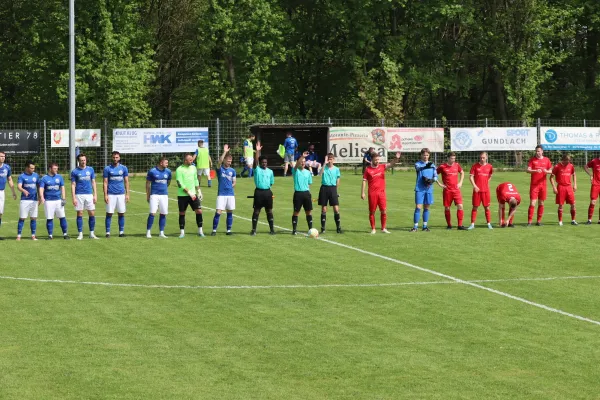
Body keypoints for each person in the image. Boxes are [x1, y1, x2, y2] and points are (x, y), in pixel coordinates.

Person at [361, 152, 402, 234]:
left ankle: (383, 228)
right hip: (372, 193)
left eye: (378, 159)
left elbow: (391, 164)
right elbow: (364, 181)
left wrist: (396, 158)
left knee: (383, 211)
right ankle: (373, 229)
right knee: (372, 211)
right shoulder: (368, 169)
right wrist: (363, 192)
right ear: (371, 160)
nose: (377, 161)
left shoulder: (382, 167)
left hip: (381, 193)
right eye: (376, 160)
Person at [412, 148, 444, 232]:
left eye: (427, 155)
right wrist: (426, 166)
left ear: (429, 155)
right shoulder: (418, 164)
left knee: (427, 207)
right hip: (419, 188)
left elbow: (435, 175)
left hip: (429, 189)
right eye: (424, 155)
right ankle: (415, 227)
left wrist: (432, 180)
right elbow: (418, 169)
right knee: (418, 207)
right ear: (421, 155)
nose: (425, 156)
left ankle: (425, 226)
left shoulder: (432, 165)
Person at [70, 153, 99, 240]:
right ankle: (80, 234)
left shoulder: (90, 169)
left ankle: (91, 233)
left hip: (89, 194)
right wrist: (74, 197)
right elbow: (73, 184)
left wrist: (95, 194)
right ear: (78, 161)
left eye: (84, 160)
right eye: (81, 160)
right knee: (80, 213)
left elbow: (93, 182)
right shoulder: (74, 171)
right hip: (79, 194)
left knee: (92, 213)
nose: (83, 162)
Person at [175, 153, 204, 238]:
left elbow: (195, 179)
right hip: (182, 195)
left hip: (193, 195)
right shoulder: (179, 170)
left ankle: (200, 231)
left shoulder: (193, 168)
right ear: (185, 160)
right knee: (182, 212)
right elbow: (180, 184)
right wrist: (189, 193)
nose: (192, 161)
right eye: (190, 160)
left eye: (192, 159)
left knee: (199, 211)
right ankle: (182, 232)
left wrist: (199, 191)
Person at [250, 141, 275, 235]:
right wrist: (257, 151)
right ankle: (253, 230)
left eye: (265, 162)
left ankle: (272, 229)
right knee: (256, 211)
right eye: (263, 162)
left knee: (269, 211)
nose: (264, 164)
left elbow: (271, 183)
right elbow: (255, 162)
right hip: (259, 192)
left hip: (268, 192)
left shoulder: (270, 171)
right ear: (260, 163)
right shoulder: (257, 170)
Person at [436, 152, 467, 230]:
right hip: (447, 191)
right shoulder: (442, 166)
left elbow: (462, 172)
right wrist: (439, 184)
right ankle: (449, 225)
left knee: (460, 206)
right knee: (447, 208)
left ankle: (460, 225)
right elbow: (434, 174)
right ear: (448, 158)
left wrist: (460, 182)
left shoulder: (457, 165)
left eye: (454, 158)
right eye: (452, 158)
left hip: (456, 190)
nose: (453, 160)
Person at [103, 151, 130, 238]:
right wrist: (105, 195)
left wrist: (127, 194)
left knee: (121, 213)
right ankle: (107, 233)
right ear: (112, 158)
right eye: (114, 157)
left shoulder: (124, 168)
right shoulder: (107, 169)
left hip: (121, 194)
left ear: (119, 158)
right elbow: (105, 182)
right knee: (109, 213)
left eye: (117, 157)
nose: (115, 159)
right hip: (111, 194)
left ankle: (121, 232)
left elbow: (126, 181)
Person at [39, 163, 69, 239]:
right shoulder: (44, 178)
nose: (56, 170)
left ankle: (65, 234)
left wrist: (64, 198)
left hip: (58, 200)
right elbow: (41, 188)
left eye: (57, 168)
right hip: (48, 201)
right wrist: (42, 197)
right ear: (50, 169)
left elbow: (62, 187)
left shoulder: (59, 177)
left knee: (62, 217)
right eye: (55, 168)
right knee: (49, 218)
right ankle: (50, 235)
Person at [212, 144, 236, 236]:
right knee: (219, 212)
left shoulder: (232, 171)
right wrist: (225, 151)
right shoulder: (220, 169)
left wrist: (232, 186)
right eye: (228, 161)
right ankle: (214, 230)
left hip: (230, 194)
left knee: (230, 211)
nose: (230, 162)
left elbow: (234, 182)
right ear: (225, 160)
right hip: (221, 194)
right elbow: (219, 162)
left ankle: (228, 230)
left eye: (231, 161)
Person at [526, 145, 552, 226]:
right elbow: (528, 170)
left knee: (541, 203)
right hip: (534, 185)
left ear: (542, 151)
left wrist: (546, 171)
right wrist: (535, 171)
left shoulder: (547, 160)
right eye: (536, 151)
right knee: (533, 203)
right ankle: (529, 222)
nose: (537, 153)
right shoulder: (532, 160)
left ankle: (538, 221)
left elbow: (551, 171)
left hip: (543, 185)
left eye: (539, 151)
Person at [146, 157, 172, 238]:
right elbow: (147, 184)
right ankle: (148, 232)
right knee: (152, 213)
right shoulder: (152, 171)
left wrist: (164, 188)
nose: (167, 164)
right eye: (166, 163)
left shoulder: (168, 171)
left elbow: (168, 182)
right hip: (154, 195)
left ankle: (161, 232)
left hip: (164, 195)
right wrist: (148, 195)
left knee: (163, 213)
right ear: (161, 163)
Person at [468, 152, 494, 230]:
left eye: (483, 157)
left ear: (486, 157)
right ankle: (472, 224)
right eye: (480, 158)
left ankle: (489, 223)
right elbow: (471, 177)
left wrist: (486, 183)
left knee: (487, 207)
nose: (482, 159)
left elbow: (490, 175)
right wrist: (475, 186)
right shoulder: (475, 166)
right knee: (475, 207)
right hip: (477, 191)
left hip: (486, 191)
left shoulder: (490, 166)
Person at [550, 154, 577, 226]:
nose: (568, 162)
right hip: (561, 187)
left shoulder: (571, 166)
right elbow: (551, 177)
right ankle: (560, 221)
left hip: (569, 187)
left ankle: (573, 220)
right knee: (561, 205)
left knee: (573, 204)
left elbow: (574, 174)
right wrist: (554, 187)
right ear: (563, 160)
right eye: (567, 161)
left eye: (569, 161)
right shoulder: (557, 166)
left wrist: (575, 184)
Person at [318, 153, 342, 234]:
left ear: (333, 160)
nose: (330, 160)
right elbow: (320, 174)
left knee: (336, 209)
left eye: (331, 159)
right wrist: (324, 163)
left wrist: (335, 190)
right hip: (324, 188)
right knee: (324, 208)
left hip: (332, 188)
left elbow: (338, 180)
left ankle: (338, 228)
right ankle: (323, 228)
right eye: (328, 159)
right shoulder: (324, 167)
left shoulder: (336, 169)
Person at [291, 151, 314, 234]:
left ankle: (310, 229)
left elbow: (309, 184)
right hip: (298, 194)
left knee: (308, 211)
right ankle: (294, 230)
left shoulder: (308, 172)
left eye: (304, 162)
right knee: (296, 212)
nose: (303, 163)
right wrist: (302, 156)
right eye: (302, 162)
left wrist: (309, 194)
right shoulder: (295, 171)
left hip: (306, 194)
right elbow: (296, 165)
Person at [16, 160, 40, 241]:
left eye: (34, 168)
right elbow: (19, 186)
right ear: (27, 167)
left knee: (33, 218)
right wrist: (24, 190)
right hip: (25, 200)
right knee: (22, 218)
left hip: (34, 200)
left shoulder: (36, 175)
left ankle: (33, 235)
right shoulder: (22, 176)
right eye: (31, 168)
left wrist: (40, 197)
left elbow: (39, 186)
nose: (33, 169)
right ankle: (19, 235)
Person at [0, 151, 17, 240]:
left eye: (4, 156)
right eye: (1, 156)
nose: (3, 158)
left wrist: (13, 192)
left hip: (1, 192)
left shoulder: (7, 167)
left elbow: (9, 179)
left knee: (0, 213)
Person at [583, 155, 600, 224]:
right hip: (595, 184)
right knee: (593, 202)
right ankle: (589, 220)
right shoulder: (594, 161)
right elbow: (585, 167)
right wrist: (591, 175)